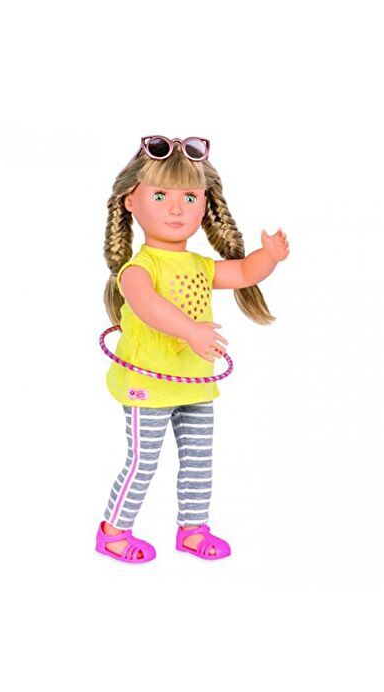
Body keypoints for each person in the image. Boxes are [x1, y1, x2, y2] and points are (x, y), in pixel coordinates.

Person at [95, 136, 289, 563]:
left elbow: (243, 272)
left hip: (194, 383)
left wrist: (269, 257)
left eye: (189, 197)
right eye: (160, 196)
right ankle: (113, 532)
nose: (176, 209)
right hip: (148, 384)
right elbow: (147, 305)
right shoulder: (138, 268)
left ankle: (193, 529)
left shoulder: (199, 265)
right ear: (130, 201)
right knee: (143, 462)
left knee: (199, 461)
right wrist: (190, 331)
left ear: (205, 205)